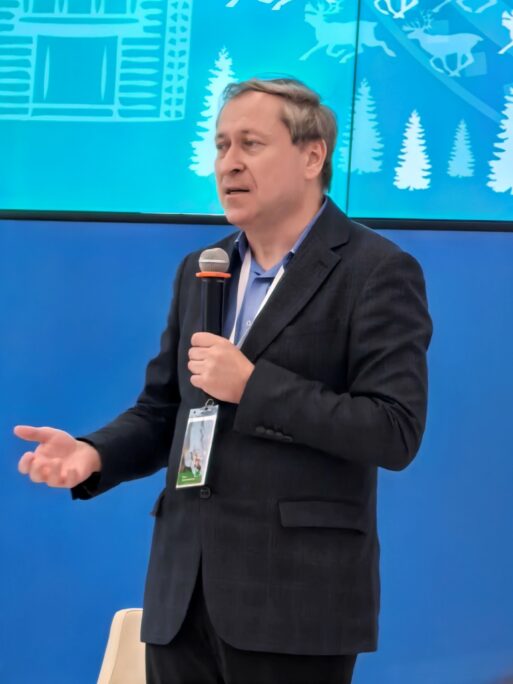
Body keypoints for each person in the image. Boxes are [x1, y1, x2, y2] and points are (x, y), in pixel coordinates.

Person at [15, 78, 433, 684]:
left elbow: (393, 430)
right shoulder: (203, 269)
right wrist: (93, 453)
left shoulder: (376, 271)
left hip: (295, 605)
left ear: (312, 156)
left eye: (250, 144)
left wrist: (254, 386)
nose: (228, 162)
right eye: (221, 145)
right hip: (182, 597)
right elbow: (164, 412)